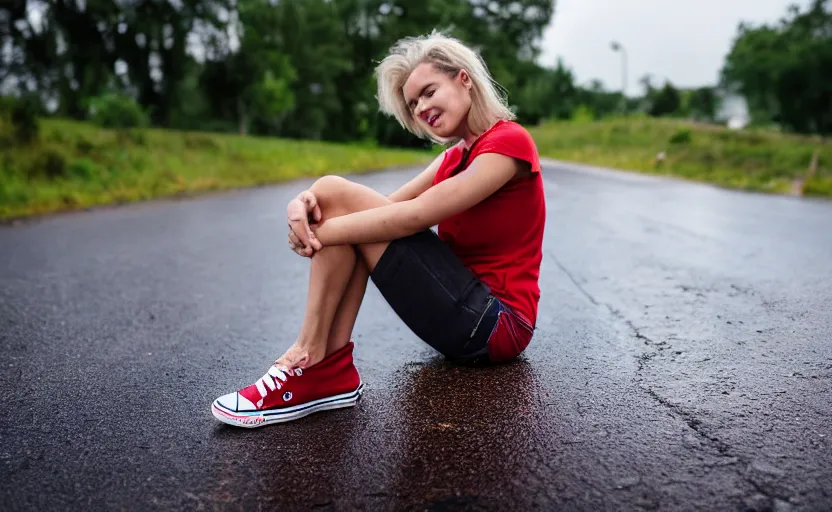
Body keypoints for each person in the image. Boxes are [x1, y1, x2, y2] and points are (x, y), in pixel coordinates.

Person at [211, 31, 546, 428]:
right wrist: (304, 203)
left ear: (463, 79)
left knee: (337, 199)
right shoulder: (455, 156)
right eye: (413, 103)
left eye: (427, 91)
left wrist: (321, 232)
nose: (421, 108)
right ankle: (323, 368)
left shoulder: (510, 144)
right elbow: (384, 207)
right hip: (463, 311)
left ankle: (309, 358)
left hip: (496, 324)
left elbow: (413, 216)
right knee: (332, 193)